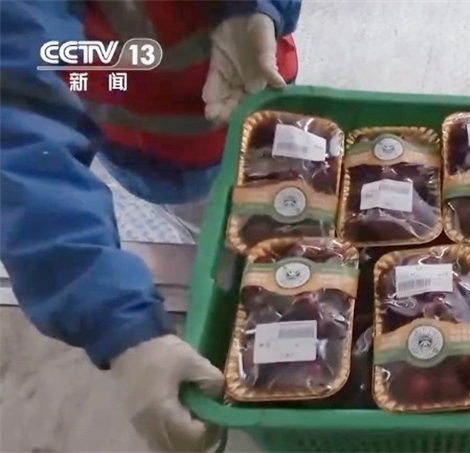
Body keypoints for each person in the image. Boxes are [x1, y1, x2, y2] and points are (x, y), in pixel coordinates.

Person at [0, 0, 301, 451]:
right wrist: (120, 322)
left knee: (292, 207)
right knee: (219, 237)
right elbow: (20, 128)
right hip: (162, 147)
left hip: (259, 82)